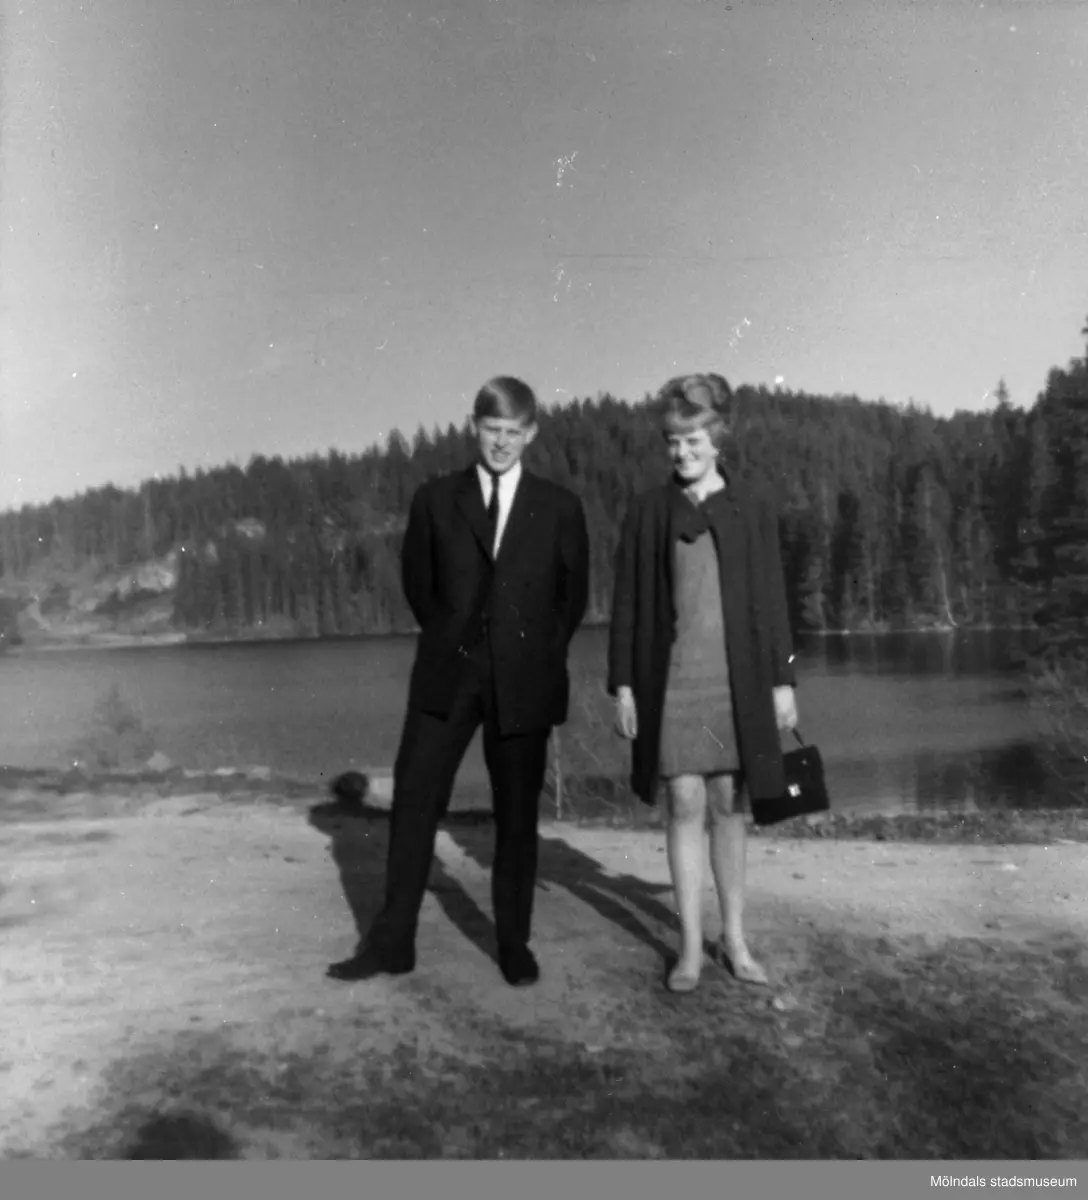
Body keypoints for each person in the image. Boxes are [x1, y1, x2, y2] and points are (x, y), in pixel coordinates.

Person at [328, 376, 590, 988]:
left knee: (517, 818)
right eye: (491, 429)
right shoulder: (436, 499)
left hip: (522, 682)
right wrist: (456, 640)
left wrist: (530, 657)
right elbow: (420, 586)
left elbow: (570, 599)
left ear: (531, 434)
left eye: (512, 432)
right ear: (474, 428)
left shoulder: (559, 507)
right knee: (415, 804)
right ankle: (393, 942)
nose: (500, 443)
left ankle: (514, 944)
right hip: (448, 677)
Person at [608, 373, 799, 994]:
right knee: (684, 801)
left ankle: (734, 940)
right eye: (672, 441)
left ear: (719, 437)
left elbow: (772, 598)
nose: (681, 452)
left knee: (727, 803)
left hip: (736, 679)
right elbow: (628, 602)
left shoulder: (751, 505)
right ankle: (690, 947)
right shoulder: (648, 511)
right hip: (671, 679)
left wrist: (783, 681)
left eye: (692, 440)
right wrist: (624, 686)